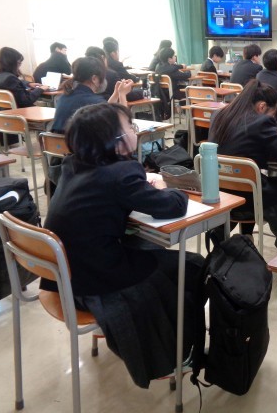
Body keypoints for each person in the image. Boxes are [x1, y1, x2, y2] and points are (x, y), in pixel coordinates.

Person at [43, 102, 204, 388]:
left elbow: (106, 197)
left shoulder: (72, 165)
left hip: (65, 277)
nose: (134, 130)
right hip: (99, 279)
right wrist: (166, 187)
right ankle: (179, 349)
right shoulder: (121, 174)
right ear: (115, 141)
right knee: (193, 267)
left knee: (162, 256)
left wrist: (138, 187)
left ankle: (173, 336)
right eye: (129, 126)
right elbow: (173, 206)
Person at [209, 80, 277, 250]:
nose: (273, 120)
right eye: (273, 115)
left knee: (250, 178)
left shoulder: (219, 115)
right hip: (248, 199)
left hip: (220, 193)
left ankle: (241, 234)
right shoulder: (261, 122)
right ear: (262, 106)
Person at [51, 56, 132, 133]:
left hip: (59, 142)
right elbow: (124, 124)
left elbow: (107, 110)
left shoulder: (63, 97)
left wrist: (116, 93)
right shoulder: (95, 102)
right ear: (94, 79)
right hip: (86, 143)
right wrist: (122, 95)